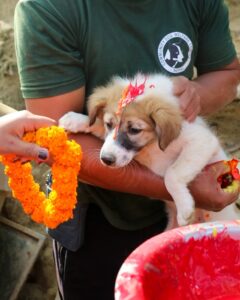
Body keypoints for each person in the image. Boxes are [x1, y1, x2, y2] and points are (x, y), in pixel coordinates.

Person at [14, 0, 240, 299]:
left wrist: (194, 95)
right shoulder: (50, 9)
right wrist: (181, 188)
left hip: (198, 207)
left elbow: (226, 73)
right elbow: (59, 141)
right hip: (101, 219)